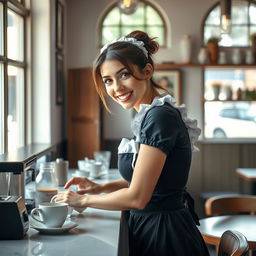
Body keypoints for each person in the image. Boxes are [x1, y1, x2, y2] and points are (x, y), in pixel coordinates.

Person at [53, 30, 209, 256]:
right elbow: (148, 182)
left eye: (123, 75)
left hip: (164, 235)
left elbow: (138, 196)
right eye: (108, 80)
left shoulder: (159, 117)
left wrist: (83, 199)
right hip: (155, 227)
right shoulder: (149, 115)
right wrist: (101, 187)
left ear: (147, 71)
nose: (116, 88)